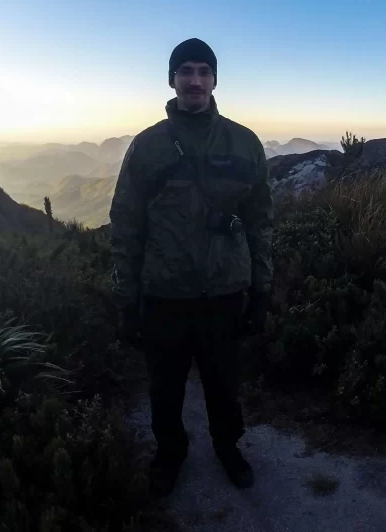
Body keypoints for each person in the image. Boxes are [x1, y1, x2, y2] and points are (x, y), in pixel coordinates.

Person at [110, 38, 273, 498]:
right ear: (172, 80)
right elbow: (125, 224)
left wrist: (262, 288)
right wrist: (126, 298)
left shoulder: (244, 143)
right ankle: (171, 453)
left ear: (216, 79)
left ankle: (227, 447)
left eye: (204, 70)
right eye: (186, 70)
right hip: (164, 294)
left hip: (225, 291)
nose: (195, 79)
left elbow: (262, 221)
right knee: (165, 388)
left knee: (224, 384)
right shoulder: (147, 146)